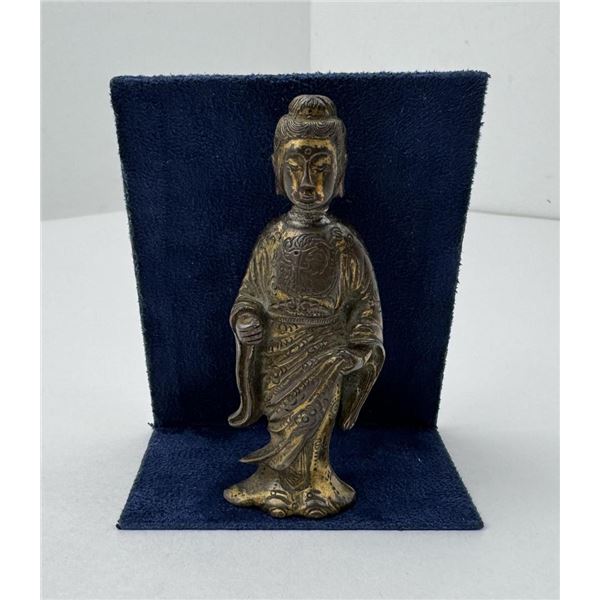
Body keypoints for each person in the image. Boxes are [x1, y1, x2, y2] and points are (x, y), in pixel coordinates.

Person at [224, 94, 385, 518]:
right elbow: (250, 295)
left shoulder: (344, 244)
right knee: (282, 421)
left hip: (325, 354)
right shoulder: (273, 238)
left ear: (341, 171)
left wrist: (359, 350)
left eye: (322, 168)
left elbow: (365, 306)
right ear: (277, 170)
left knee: (314, 425)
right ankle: (276, 485)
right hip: (278, 353)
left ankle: (317, 487)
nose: (308, 183)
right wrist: (246, 321)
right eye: (295, 167)